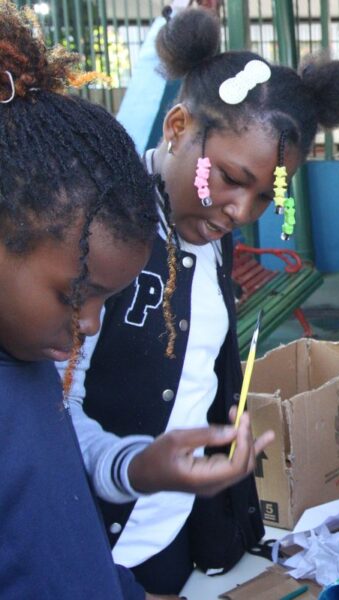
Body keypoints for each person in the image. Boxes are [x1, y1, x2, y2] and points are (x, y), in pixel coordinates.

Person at [57, 7, 339, 594]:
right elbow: (54, 408)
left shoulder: (206, 232)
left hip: (174, 535)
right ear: (176, 126)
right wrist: (134, 467)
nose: (239, 212)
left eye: (264, 195)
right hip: (97, 541)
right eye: (227, 177)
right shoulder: (99, 233)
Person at [0, 2, 158, 596]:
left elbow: (62, 544)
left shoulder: (31, 363)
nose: (89, 326)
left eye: (105, 303)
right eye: (75, 295)